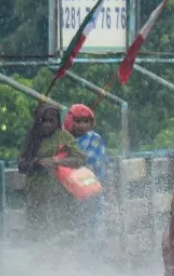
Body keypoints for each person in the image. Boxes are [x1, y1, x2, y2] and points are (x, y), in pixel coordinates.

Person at [17, 103, 88, 241]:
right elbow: (21, 164)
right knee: (38, 233)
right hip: (37, 195)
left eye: (51, 121)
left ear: (57, 122)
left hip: (60, 195)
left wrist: (57, 161)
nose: (47, 125)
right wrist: (38, 162)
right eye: (44, 121)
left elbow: (80, 159)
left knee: (61, 233)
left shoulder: (64, 137)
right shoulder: (32, 138)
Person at [64, 103, 108, 238]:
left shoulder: (94, 139)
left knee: (92, 221)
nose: (82, 125)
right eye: (78, 121)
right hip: (67, 188)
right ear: (70, 121)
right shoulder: (63, 138)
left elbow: (99, 162)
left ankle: (92, 248)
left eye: (86, 121)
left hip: (90, 187)